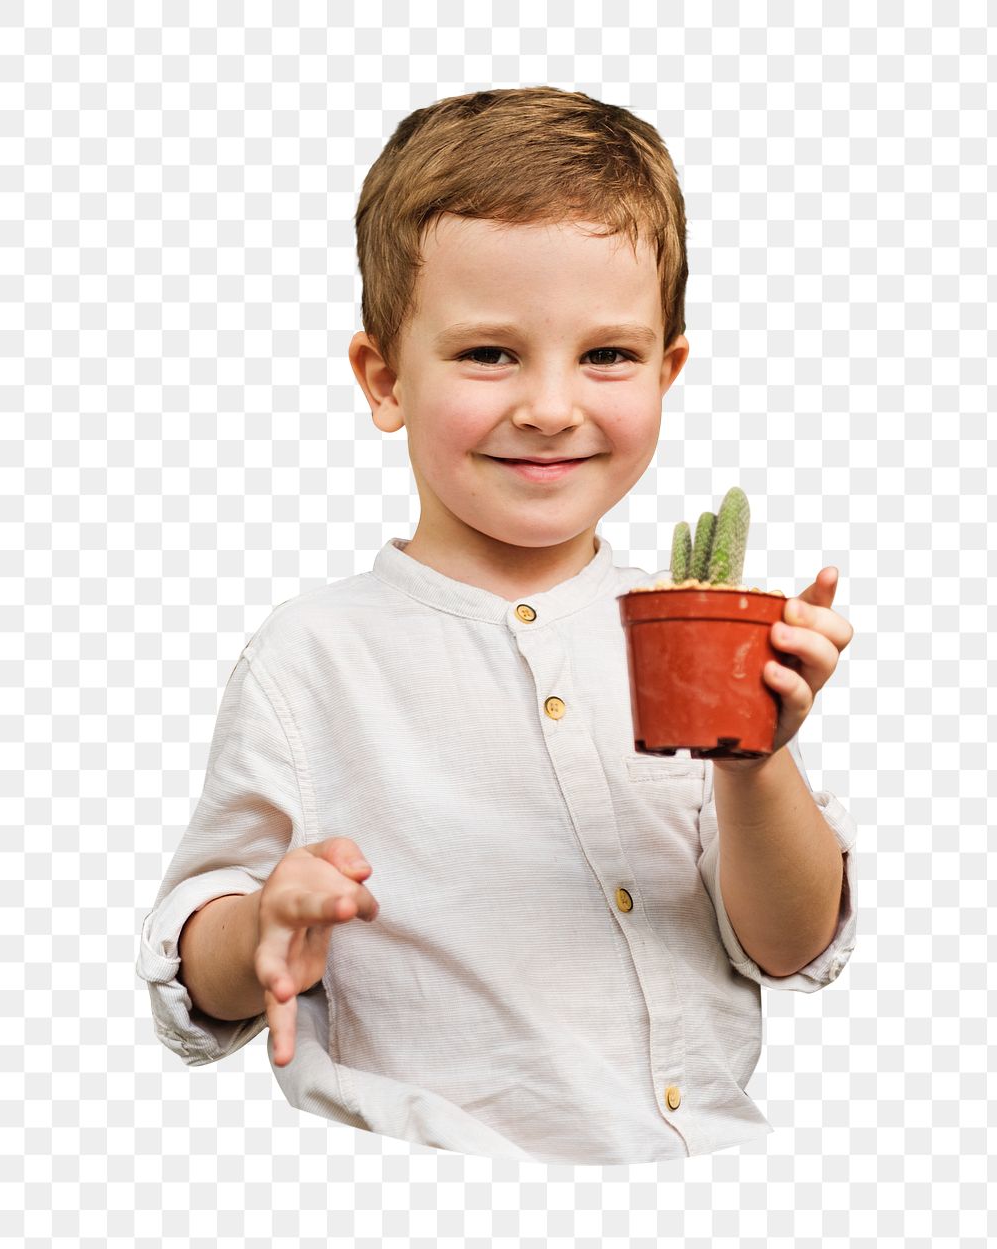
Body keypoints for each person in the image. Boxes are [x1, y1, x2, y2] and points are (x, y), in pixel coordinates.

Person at [136, 86, 857, 1165]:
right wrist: (258, 924)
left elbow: (790, 944)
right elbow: (201, 962)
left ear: (666, 373)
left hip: (704, 1178)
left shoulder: (694, 633)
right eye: (489, 355)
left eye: (606, 356)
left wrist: (755, 763)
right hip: (435, 1185)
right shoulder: (316, 658)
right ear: (384, 377)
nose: (552, 405)